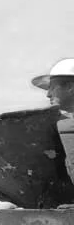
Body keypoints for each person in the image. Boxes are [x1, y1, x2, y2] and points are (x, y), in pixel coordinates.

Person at [33, 58, 74, 188]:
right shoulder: (62, 125)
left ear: (70, 87)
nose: (48, 95)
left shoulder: (65, 127)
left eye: (52, 88)